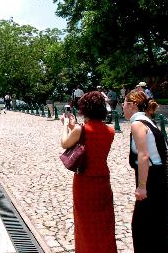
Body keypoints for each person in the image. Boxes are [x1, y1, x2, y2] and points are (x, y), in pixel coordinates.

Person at [60, 91, 117, 252]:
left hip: (84, 180)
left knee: (85, 224)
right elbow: (89, 136)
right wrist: (74, 127)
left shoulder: (80, 130)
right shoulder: (110, 131)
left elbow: (65, 143)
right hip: (103, 180)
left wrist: (65, 125)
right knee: (104, 223)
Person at [123, 90, 168, 252]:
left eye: (124, 103)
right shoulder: (150, 122)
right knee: (160, 229)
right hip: (160, 180)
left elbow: (144, 156)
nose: (122, 107)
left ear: (132, 105)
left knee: (142, 229)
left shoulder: (137, 124)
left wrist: (142, 186)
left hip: (151, 182)